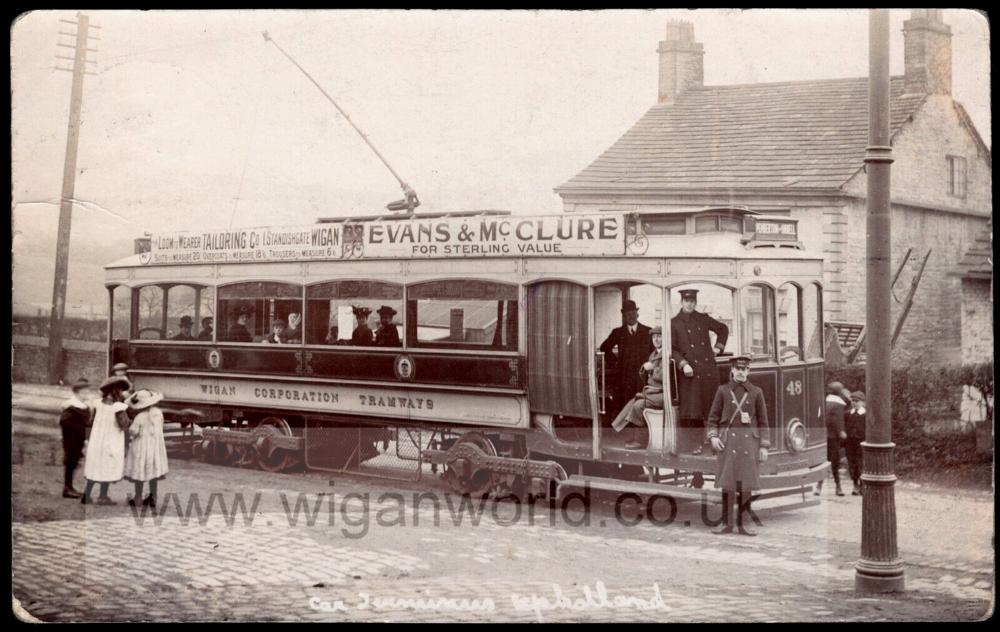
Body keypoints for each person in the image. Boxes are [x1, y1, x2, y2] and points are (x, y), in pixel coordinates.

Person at [706, 355, 769, 536]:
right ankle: (726, 524)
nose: (741, 372)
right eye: (738, 369)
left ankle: (744, 524)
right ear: (732, 370)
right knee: (728, 485)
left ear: (749, 371)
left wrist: (764, 446)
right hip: (728, 443)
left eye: (744, 369)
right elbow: (713, 418)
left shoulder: (756, 392)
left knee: (746, 485)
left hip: (749, 444)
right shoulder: (723, 391)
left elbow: (764, 422)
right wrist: (713, 437)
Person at [671, 288, 729, 456]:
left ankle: (713, 442)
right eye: (686, 301)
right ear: (681, 302)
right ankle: (695, 443)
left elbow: (723, 329)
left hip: (708, 370)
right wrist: (683, 364)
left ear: (695, 302)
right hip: (689, 372)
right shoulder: (674, 322)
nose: (689, 303)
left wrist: (718, 349)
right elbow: (672, 349)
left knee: (712, 407)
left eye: (692, 301)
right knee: (693, 410)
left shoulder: (703, 319)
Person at [610, 326, 664, 449]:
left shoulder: (666, 354)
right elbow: (645, 377)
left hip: (662, 393)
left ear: (664, 339)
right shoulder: (654, 354)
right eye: (654, 337)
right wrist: (645, 370)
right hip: (653, 392)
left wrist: (652, 369)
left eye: (659, 337)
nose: (656, 340)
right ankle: (620, 429)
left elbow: (666, 376)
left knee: (638, 405)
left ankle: (640, 440)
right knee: (633, 402)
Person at [81, 376, 132, 505]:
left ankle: (86, 494)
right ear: (115, 391)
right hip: (112, 439)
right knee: (108, 465)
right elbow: (124, 424)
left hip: (97, 440)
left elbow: (91, 422)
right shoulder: (118, 407)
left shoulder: (98, 404)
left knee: (96, 465)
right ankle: (103, 496)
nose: (122, 393)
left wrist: (88, 438)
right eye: (120, 390)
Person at [599, 300, 654, 418]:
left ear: (637, 314)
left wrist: (651, 365)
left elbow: (655, 352)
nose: (631, 316)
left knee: (641, 405)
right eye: (627, 314)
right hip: (624, 377)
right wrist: (614, 362)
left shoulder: (648, 331)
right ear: (624, 316)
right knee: (624, 407)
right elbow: (605, 347)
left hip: (643, 376)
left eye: (633, 313)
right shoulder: (618, 332)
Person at [123, 389, 169, 509]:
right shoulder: (159, 414)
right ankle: (153, 497)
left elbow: (133, 431)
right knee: (152, 471)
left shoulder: (140, 417)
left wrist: (130, 431)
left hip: (141, 447)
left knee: (140, 470)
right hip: (155, 447)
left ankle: (138, 497)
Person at [59, 377, 94, 499]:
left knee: (74, 462)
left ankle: (70, 487)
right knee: (70, 462)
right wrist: (78, 430)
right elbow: (64, 421)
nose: (87, 394)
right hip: (71, 439)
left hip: (78, 438)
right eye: (84, 392)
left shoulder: (83, 406)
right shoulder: (71, 406)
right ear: (77, 393)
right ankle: (67, 488)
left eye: (88, 391)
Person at [816, 381, 848, 497]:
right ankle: (838, 487)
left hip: (823, 437)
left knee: (823, 462)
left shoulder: (824, 402)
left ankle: (819, 486)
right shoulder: (839, 405)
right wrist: (841, 431)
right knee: (835, 462)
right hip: (833, 438)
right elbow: (839, 420)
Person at [844, 390, 867, 496]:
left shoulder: (866, 415)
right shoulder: (848, 414)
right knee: (852, 464)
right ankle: (855, 484)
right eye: (853, 400)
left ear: (862, 402)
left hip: (862, 443)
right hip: (850, 443)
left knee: (861, 463)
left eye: (857, 401)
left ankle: (862, 485)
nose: (854, 403)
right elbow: (844, 428)